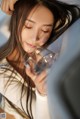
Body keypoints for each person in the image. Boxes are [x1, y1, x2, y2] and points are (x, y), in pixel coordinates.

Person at [0, 0, 80, 119]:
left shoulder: (51, 45)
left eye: (45, 30)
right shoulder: (2, 74)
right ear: (16, 22)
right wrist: (42, 93)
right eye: (28, 26)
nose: (35, 38)